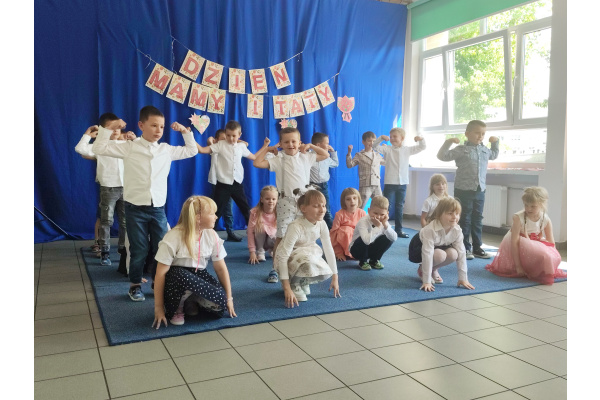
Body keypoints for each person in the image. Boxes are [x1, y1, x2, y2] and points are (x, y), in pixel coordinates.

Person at [92, 105, 198, 302]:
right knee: (139, 249)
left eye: (162, 126)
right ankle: (135, 285)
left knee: (162, 247)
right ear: (141, 125)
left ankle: (159, 282)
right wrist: (109, 128)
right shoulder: (129, 147)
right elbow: (98, 148)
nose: (158, 130)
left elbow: (192, 150)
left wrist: (185, 131)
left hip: (157, 209)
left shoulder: (165, 150)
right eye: (154, 125)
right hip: (135, 208)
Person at [253, 129, 330, 283]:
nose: (290, 144)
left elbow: (325, 155)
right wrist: (267, 149)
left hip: (304, 202)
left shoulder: (306, 157)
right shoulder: (278, 159)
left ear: (299, 143)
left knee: (303, 234)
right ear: (280, 144)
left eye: (294, 141)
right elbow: (256, 162)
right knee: (282, 236)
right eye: (286, 142)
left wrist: (310, 146)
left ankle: (301, 264)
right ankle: (275, 268)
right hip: (285, 202)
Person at [152, 196, 236, 328]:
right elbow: (160, 274)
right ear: (198, 218)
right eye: (212, 214)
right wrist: (158, 308)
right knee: (181, 276)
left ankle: (190, 299)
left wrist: (229, 298)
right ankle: (177, 307)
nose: (216, 217)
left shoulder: (212, 235)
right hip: (175, 280)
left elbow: (220, 268)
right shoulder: (173, 237)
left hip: (197, 275)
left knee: (220, 305)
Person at [75, 117, 136, 266]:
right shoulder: (100, 146)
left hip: (126, 187)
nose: (115, 130)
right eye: (111, 127)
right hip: (108, 188)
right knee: (106, 221)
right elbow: (80, 149)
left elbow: (146, 150)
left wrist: (135, 139)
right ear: (104, 131)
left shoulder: (126, 144)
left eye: (117, 127)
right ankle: (105, 252)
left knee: (125, 222)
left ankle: (122, 250)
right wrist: (87, 134)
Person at [437, 120, 499, 260]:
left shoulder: (485, 150)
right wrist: (448, 142)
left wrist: (495, 143)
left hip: (480, 189)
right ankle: (464, 247)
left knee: (477, 219)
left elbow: (494, 154)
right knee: (464, 219)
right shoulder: (461, 149)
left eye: (483, 134)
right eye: (477, 133)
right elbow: (442, 156)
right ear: (467, 134)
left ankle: (477, 247)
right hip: (463, 189)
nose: (480, 136)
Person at [485, 187, 566, 285]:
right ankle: (526, 267)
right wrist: (518, 266)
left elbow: (551, 242)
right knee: (544, 255)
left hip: (534, 241)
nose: (528, 209)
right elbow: (514, 242)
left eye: (533, 206)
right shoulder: (518, 218)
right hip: (518, 241)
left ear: (542, 204)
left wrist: (554, 256)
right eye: (526, 205)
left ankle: (536, 269)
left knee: (553, 256)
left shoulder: (545, 219)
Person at [274, 190, 340, 307]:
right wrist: (286, 288)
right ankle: (294, 283)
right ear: (303, 209)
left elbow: (328, 249)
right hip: (289, 255)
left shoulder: (322, 224)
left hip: (308, 249)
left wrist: (335, 277)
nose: (322, 210)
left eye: (323, 205)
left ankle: (302, 280)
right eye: (316, 206)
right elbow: (283, 256)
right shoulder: (296, 227)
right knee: (307, 259)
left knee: (317, 260)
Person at [196, 120, 255, 237]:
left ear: (239, 135)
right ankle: (207, 236)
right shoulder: (220, 145)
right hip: (222, 185)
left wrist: (266, 149)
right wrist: (188, 135)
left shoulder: (241, 146)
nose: (230, 138)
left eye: (234, 136)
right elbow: (202, 149)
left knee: (246, 209)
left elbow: (254, 156)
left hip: (237, 184)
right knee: (217, 211)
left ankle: (254, 233)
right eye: (228, 135)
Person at [410, 197, 475, 292]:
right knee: (440, 255)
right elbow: (427, 253)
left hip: (440, 247)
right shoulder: (430, 229)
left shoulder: (457, 230)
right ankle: (422, 270)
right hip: (419, 248)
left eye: (457, 214)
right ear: (439, 215)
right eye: (450, 213)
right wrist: (427, 281)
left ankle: (433, 269)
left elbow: (461, 253)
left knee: (454, 254)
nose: (454, 217)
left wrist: (463, 278)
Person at [375, 128, 426, 238]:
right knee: (386, 206)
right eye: (391, 136)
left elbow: (422, 147)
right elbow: (375, 146)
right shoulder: (387, 149)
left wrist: (421, 139)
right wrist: (381, 138)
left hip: (402, 183)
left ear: (402, 138)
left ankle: (399, 230)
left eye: (395, 136)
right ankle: (383, 229)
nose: (392, 138)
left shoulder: (407, 150)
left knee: (400, 206)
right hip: (390, 183)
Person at [206, 129, 239, 242]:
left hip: (228, 183)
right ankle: (210, 233)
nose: (226, 142)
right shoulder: (215, 148)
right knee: (214, 209)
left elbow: (245, 143)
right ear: (216, 141)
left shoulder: (230, 150)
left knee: (228, 209)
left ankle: (230, 231)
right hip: (216, 183)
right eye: (223, 139)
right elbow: (209, 140)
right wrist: (212, 141)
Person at [349, 195, 398, 271]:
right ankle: (363, 261)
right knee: (363, 238)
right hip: (357, 250)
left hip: (370, 248)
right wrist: (378, 227)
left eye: (382, 214)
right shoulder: (363, 221)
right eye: (375, 213)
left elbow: (394, 238)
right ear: (369, 211)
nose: (378, 217)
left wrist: (385, 225)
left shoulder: (384, 221)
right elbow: (366, 241)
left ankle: (374, 260)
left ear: (387, 214)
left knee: (389, 237)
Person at [346, 131, 385, 208]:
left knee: (380, 204)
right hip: (365, 184)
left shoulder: (377, 155)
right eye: (369, 141)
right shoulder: (359, 155)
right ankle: (357, 215)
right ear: (363, 142)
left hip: (376, 184)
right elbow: (350, 165)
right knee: (360, 205)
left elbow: (385, 162)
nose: (372, 143)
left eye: (374, 141)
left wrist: (385, 151)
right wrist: (349, 153)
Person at [309, 132, 339, 229]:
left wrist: (333, 152)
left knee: (326, 210)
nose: (328, 146)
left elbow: (335, 164)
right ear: (318, 145)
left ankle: (331, 230)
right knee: (312, 208)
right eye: (327, 143)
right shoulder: (309, 156)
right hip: (311, 186)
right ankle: (313, 229)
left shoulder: (327, 157)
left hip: (323, 186)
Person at [330, 187, 366, 261]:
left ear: (358, 199)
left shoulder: (362, 213)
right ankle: (347, 252)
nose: (352, 201)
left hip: (357, 241)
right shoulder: (339, 214)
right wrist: (338, 253)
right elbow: (333, 234)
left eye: (354, 198)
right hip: (343, 242)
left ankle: (359, 253)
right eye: (348, 199)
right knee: (346, 230)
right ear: (344, 202)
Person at [247, 185, 278, 264]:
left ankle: (273, 249)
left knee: (277, 233)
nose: (271, 201)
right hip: (259, 241)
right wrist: (252, 252)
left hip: (272, 240)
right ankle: (260, 251)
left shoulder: (279, 212)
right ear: (262, 199)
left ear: (277, 200)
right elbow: (250, 232)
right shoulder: (255, 212)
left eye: (273, 199)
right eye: (267, 199)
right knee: (260, 227)